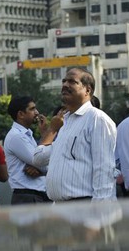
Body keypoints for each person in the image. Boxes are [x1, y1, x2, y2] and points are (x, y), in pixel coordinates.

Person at [33, 67, 117, 202]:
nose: (65, 85)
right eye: (64, 81)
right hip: (61, 208)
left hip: (84, 206)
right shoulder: (66, 122)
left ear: (87, 90)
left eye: (72, 82)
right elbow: (38, 159)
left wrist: (98, 213)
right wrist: (51, 130)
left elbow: (104, 170)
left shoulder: (97, 119)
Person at [4, 96, 50, 205]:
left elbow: (42, 160)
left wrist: (40, 171)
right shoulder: (17, 136)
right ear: (21, 114)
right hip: (27, 197)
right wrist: (42, 170)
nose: (37, 113)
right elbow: (41, 162)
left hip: (34, 196)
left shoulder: (26, 134)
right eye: (32, 109)